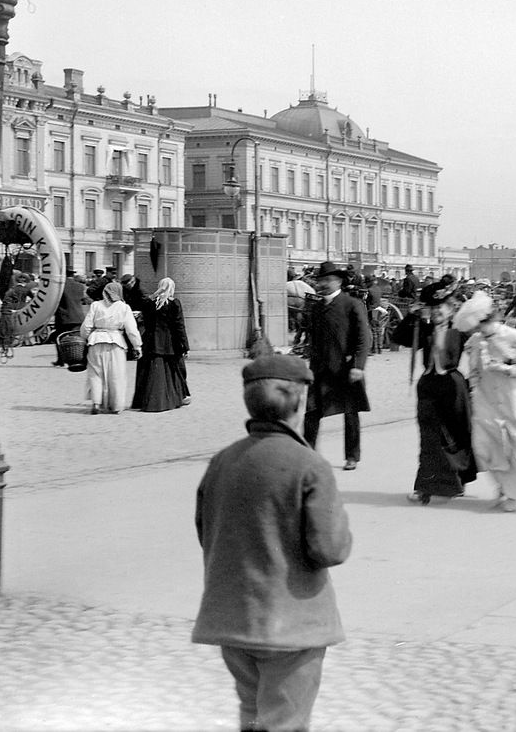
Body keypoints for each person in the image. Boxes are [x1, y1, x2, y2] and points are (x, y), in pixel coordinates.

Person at [192, 354, 352, 732]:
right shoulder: (309, 465)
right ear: (298, 402)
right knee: (285, 724)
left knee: (253, 718)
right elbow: (331, 548)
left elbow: (206, 531)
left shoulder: (222, 460)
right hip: (292, 625)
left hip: (233, 620)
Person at [455, 291, 516, 512]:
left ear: (492, 319)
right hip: (486, 397)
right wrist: (474, 389)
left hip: (511, 395)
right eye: (477, 327)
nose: (480, 330)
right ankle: (502, 486)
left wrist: (506, 369)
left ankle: (515, 493)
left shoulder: (513, 335)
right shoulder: (476, 341)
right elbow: (474, 369)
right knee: (487, 442)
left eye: (483, 325)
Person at [409, 282, 478, 505]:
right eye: (434, 309)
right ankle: (424, 487)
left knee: (455, 436)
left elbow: (480, 347)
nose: (437, 312)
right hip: (428, 386)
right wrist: (411, 317)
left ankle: (458, 483)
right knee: (428, 438)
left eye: (442, 309)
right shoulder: (424, 329)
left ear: (451, 311)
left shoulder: (459, 332)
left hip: (454, 387)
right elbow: (400, 338)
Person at [302, 261, 372, 471]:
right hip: (320, 369)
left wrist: (358, 365)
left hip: (346, 368)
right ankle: (308, 454)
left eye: (328, 280)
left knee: (350, 414)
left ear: (339, 281)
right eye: (321, 280)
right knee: (312, 412)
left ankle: (352, 456)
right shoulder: (315, 308)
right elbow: (313, 340)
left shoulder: (352, 304)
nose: (323, 284)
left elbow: (364, 338)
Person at [78, 281, 142, 415]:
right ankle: (116, 405)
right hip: (116, 341)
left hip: (96, 341)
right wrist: (137, 346)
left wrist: (85, 337)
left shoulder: (95, 305)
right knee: (116, 375)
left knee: (95, 374)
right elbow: (131, 329)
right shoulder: (124, 307)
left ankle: (96, 403)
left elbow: (86, 326)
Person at [132, 278, 191, 412]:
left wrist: (153, 295)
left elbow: (144, 314)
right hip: (169, 342)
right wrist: (185, 346)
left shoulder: (150, 303)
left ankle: (144, 400)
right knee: (173, 370)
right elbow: (179, 326)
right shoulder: (174, 303)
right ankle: (173, 398)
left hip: (150, 341)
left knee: (150, 371)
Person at [52, 270, 88, 367]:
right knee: (79, 339)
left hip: (63, 316)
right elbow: (85, 299)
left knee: (59, 338)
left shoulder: (60, 286)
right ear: (73, 275)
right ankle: (81, 358)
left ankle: (61, 360)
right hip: (78, 316)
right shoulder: (80, 286)